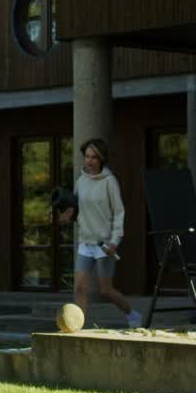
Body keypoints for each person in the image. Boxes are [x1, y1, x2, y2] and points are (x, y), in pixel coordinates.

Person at [57, 138, 142, 328]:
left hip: (104, 244)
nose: (89, 160)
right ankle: (77, 326)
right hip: (85, 242)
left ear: (101, 159)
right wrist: (67, 215)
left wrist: (114, 241)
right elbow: (76, 209)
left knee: (105, 290)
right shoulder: (81, 182)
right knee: (80, 287)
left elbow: (119, 212)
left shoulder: (110, 182)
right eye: (87, 156)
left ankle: (132, 315)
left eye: (94, 157)